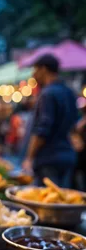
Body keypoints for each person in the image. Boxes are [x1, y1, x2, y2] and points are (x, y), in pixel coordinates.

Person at [22, 54, 78, 187]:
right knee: (63, 200)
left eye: (35, 70)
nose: (33, 75)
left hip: (49, 158)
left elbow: (43, 129)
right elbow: (75, 123)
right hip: (68, 155)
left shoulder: (47, 93)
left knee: (48, 201)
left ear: (43, 69)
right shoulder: (69, 92)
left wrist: (29, 157)